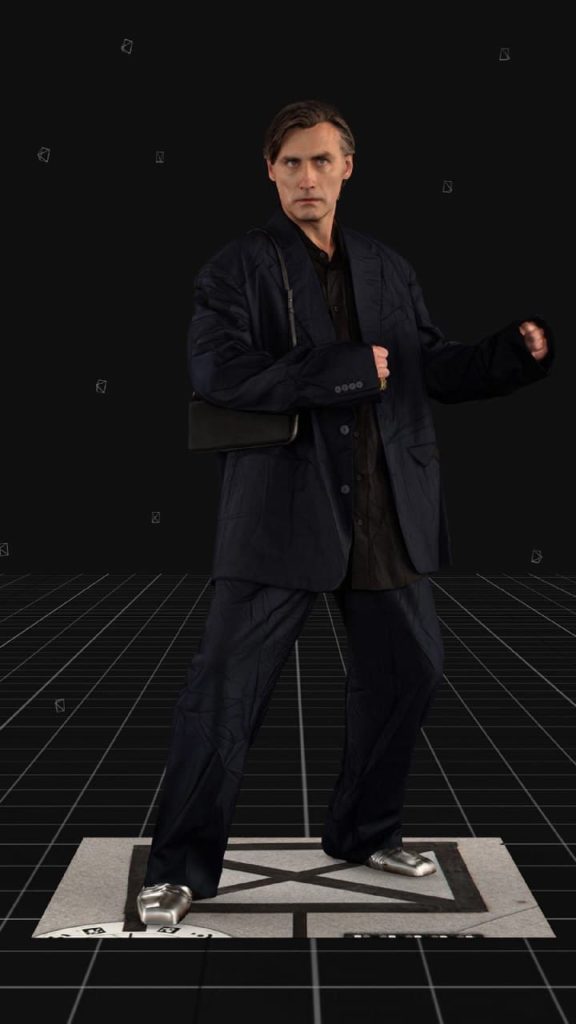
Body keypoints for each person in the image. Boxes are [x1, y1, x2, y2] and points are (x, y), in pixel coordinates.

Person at [137, 99, 555, 926]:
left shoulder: (386, 266)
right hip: (279, 514)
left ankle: (365, 834)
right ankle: (178, 868)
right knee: (224, 693)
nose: (307, 177)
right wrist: (344, 368)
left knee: (409, 674)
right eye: (291, 162)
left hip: (384, 507)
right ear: (269, 171)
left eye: (322, 160)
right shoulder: (235, 268)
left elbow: (429, 367)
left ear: (348, 168)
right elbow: (218, 373)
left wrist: (510, 354)